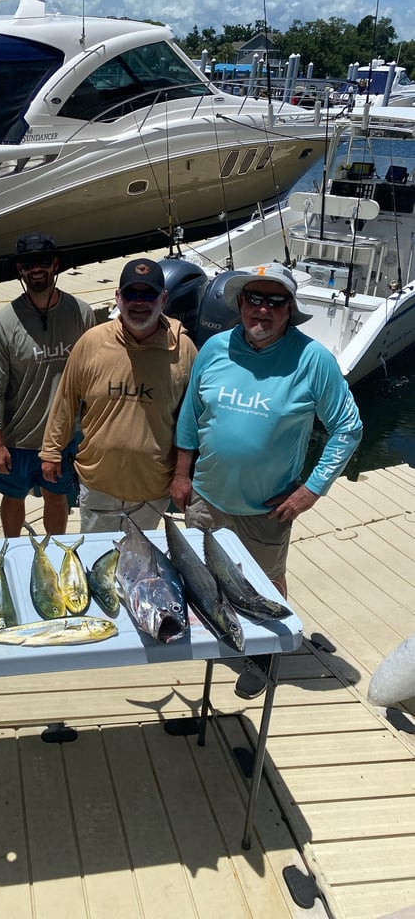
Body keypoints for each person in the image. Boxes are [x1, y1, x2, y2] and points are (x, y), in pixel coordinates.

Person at [171, 261, 363, 698]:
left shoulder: (312, 359)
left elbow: (348, 428)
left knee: (265, 585)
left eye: (274, 301)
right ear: (240, 303)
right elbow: (190, 416)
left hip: (265, 508)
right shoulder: (215, 348)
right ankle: (219, 637)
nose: (262, 309)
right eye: (253, 299)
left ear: (289, 308)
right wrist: (181, 474)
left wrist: (311, 490)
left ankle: (263, 654)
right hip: (206, 496)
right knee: (206, 576)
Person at [40, 257, 197, 532]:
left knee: (140, 569)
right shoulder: (92, 341)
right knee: (97, 561)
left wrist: (183, 476)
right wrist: (51, 452)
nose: (139, 302)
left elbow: (192, 421)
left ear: (163, 298)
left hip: (152, 489)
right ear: (117, 297)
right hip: (99, 483)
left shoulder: (184, 350)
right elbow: (66, 399)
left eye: (148, 294)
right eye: (131, 293)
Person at [0, 233, 96, 536]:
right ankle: (11, 549)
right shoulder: (3, 323)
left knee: (57, 497)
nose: (36, 269)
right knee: (12, 497)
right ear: (20, 269)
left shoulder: (81, 313)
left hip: (62, 438)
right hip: (18, 439)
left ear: (55, 264)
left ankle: (56, 554)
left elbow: (92, 376)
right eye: (28, 263)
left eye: (43, 262)